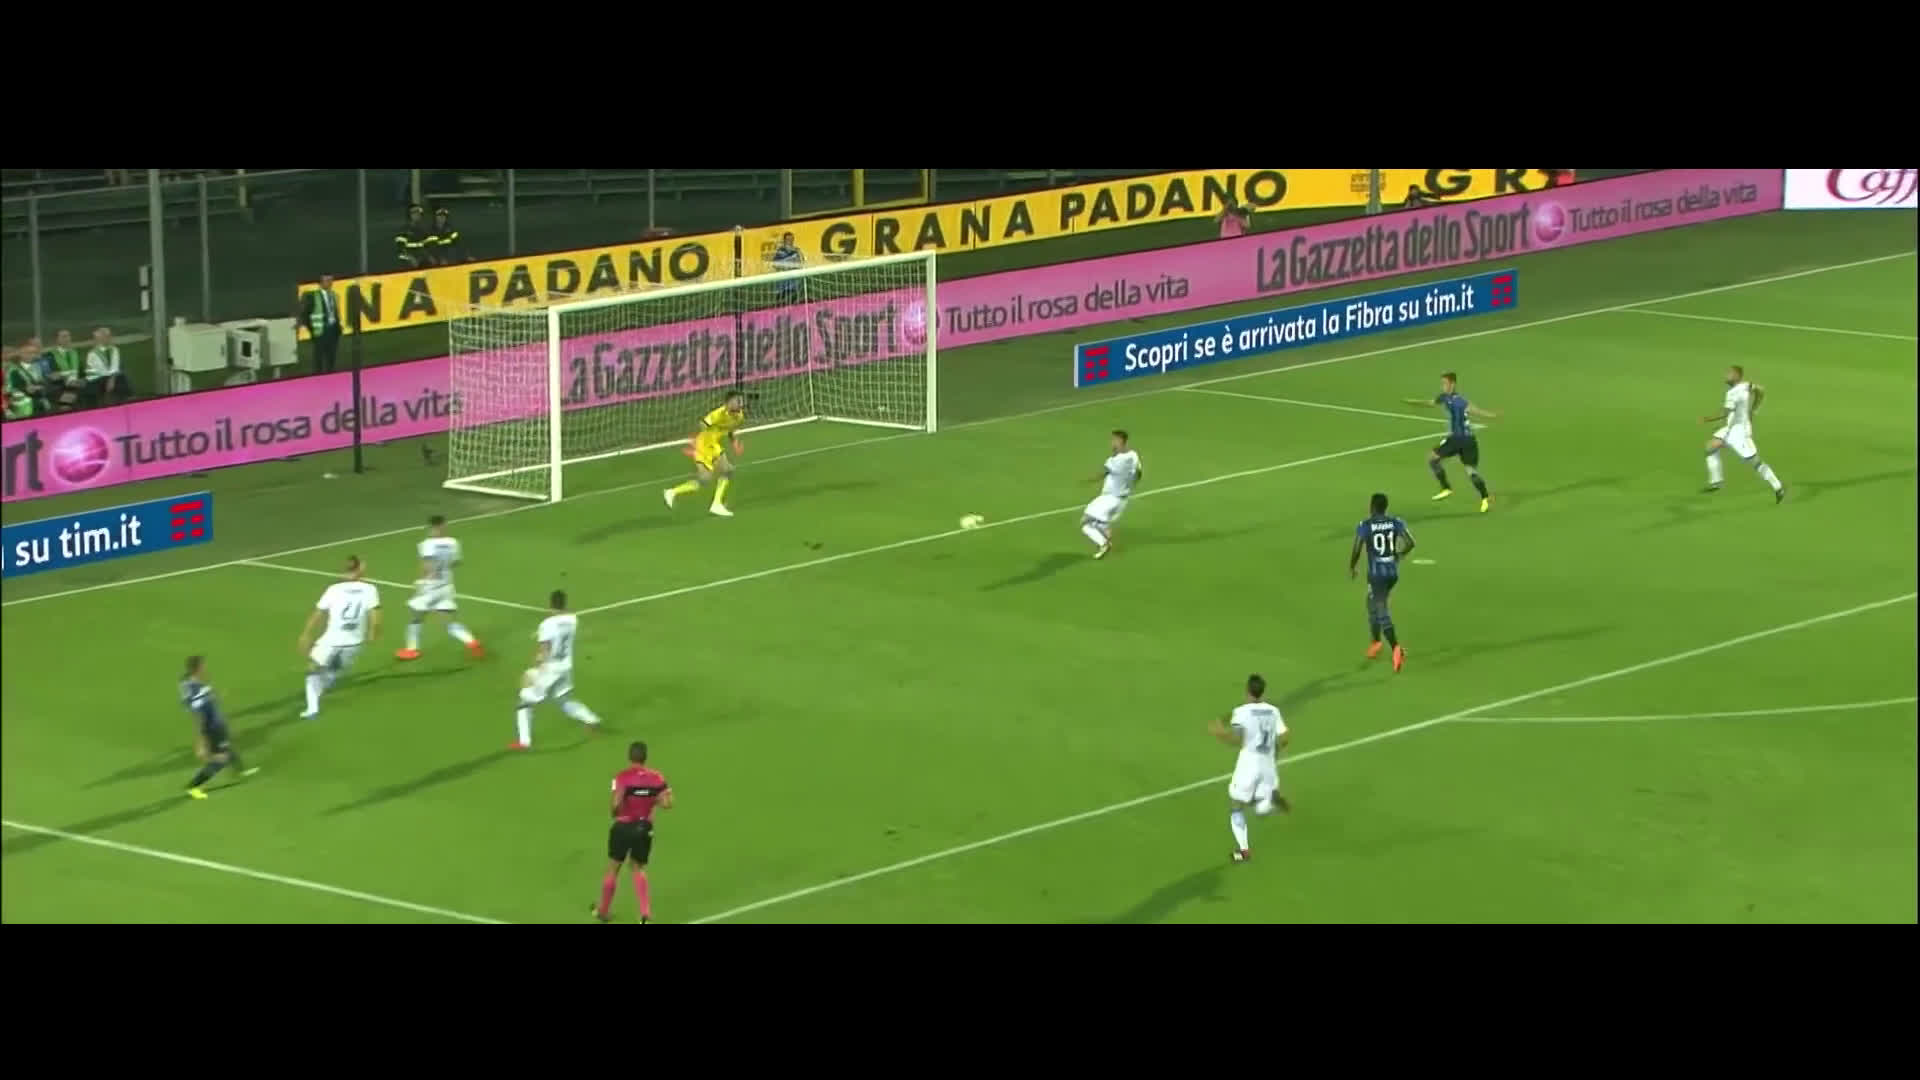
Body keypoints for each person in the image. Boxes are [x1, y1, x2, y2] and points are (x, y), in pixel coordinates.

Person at [1207, 674, 1288, 863]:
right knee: (1258, 797)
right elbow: (1285, 737)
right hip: (1268, 766)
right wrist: (1275, 751)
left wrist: (1219, 734)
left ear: (1247, 691)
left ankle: (1244, 851)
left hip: (1248, 767)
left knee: (1236, 806)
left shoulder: (1241, 712)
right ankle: (1266, 800)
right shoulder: (1273, 711)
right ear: (1262, 692)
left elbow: (1237, 739)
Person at [593, 740, 673, 924]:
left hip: (622, 827)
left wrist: (616, 810)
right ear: (645, 757)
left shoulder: (622, 777)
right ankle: (645, 914)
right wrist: (652, 800)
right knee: (638, 868)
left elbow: (615, 806)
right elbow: (667, 803)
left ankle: (603, 911)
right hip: (643, 828)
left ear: (630, 757)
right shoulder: (657, 778)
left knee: (613, 868)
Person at [512, 590, 603, 750]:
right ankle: (592, 720)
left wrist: (537, 665)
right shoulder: (573, 620)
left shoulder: (546, 625)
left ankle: (524, 742)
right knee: (563, 700)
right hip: (565, 666)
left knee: (524, 700)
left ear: (550, 604)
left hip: (551, 669)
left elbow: (545, 650)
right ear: (565, 603)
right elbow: (563, 624)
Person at [296, 556, 382, 719]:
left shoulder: (333, 589)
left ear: (345, 571)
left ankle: (312, 709)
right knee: (334, 669)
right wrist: (373, 631)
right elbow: (375, 614)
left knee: (313, 668)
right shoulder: (370, 589)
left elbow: (318, 613)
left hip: (332, 640)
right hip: (355, 642)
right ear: (360, 569)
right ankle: (324, 684)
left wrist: (306, 633)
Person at [1404, 371, 1498, 512]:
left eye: (1445, 383)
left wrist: (1490, 415)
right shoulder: (1444, 397)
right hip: (1469, 440)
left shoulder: (1459, 401)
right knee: (1471, 471)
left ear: (1452, 384)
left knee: (1432, 459)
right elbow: (1431, 403)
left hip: (1459, 439)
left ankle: (1447, 488)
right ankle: (1485, 498)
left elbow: (1475, 411)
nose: (1443, 386)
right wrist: (1415, 402)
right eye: (1442, 383)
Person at [397, 514, 484, 661]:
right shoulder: (453, 542)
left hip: (430, 587)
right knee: (448, 622)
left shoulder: (427, 544)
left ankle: (412, 649)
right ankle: (471, 642)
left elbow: (427, 566)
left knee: (416, 618)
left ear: (432, 527)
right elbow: (456, 562)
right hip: (446, 586)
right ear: (444, 526)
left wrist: (421, 582)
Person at [1348, 492, 1414, 672]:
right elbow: (1410, 542)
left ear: (1372, 507)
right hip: (1392, 573)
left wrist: (1352, 566)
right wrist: (1399, 555)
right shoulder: (1395, 522)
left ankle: (1396, 648)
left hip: (1377, 576)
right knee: (1371, 603)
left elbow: (1357, 547)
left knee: (1381, 611)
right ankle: (1376, 642)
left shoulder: (1365, 525)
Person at [1702, 364, 1785, 502]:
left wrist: (1707, 419)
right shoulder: (1746, 385)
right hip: (1731, 429)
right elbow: (1761, 390)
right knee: (1710, 447)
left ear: (1737, 376)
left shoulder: (1732, 394)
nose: (1726, 375)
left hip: (1739, 433)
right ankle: (1716, 482)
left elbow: (1724, 413)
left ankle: (1778, 487)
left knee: (1755, 462)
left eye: (1729, 373)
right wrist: (1754, 410)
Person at [180, 655, 259, 799]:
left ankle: (240, 771)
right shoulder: (196, 690)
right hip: (212, 728)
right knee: (221, 759)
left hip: (217, 724)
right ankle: (194, 786)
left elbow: (206, 701)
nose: (205, 668)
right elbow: (199, 717)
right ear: (198, 668)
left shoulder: (196, 684)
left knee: (228, 747)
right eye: (203, 666)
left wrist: (216, 698)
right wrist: (201, 743)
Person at [663, 390, 747, 518]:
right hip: (704, 446)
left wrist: (734, 443)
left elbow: (730, 430)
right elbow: (702, 424)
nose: (741, 403)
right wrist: (694, 442)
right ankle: (716, 504)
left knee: (705, 479)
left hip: (713, 445)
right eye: (737, 400)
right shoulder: (718, 414)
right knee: (726, 471)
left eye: (741, 400)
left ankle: (672, 492)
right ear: (728, 403)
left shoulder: (739, 416)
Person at [1081, 429, 1142, 560]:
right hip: (1122, 499)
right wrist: (1131, 483)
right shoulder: (1133, 455)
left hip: (1110, 498)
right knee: (1096, 522)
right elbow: (1139, 473)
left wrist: (1087, 480)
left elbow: (1102, 473)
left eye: (1114, 440)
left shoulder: (1115, 460)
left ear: (1120, 441)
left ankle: (1104, 544)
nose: (1111, 442)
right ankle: (1105, 531)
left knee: (1085, 524)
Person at [298, 274, 345, 375]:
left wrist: (338, 326)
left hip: (333, 330)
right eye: (327, 280)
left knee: (331, 357)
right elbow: (305, 315)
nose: (329, 283)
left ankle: (331, 376)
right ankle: (319, 378)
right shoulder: (313, 296)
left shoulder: (334, 295)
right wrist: (312, 330)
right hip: (320, 331)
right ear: (321, 282)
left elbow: (335, 312)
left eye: (331, 280)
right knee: (318, 359)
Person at [84, 327, 131, 404]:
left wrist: (112, 379)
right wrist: (110, 379)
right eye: (105, 336)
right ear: (100, 338)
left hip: (109, 377)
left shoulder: (114, 349)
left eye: (109, 336)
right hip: (96, 378)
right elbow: (100, 370)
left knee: (122, 378)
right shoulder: (92, 353)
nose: (109, 338)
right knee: (93, 388)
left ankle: (127, 401)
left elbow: (115, 365)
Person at [42, 330, 85, 409]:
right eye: (64, 337)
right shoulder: (49, 355)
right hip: (60, 385)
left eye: (68, 336)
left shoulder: (75, 353)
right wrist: (66, 380)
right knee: (67, 398)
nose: (67, 339)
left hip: (77, 384)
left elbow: (81, 372)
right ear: (57, 340)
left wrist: (81, 380)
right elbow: (51, 375)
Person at [394, 204, 430, 268]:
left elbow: (425, 248)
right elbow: (400, 253)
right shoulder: (404, 230)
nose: (417, 214)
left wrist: (429, 257)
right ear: (409, 215)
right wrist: (411, 258)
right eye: (414, 212)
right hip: (407, 266)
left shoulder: (422, 231)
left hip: (422, 264)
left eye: (419, 212)